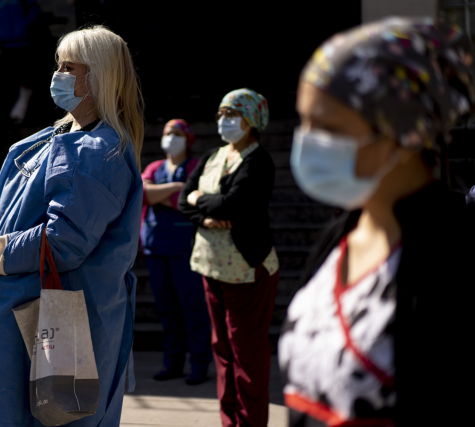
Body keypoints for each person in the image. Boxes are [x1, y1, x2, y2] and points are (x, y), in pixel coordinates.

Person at [278, 17, 475, 427]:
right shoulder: (341, 237)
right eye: (304, 121)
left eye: (328, 127)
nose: (307, 140)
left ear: (400, 135)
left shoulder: (453, 259)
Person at [0, 25, 144, 427]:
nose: (58, 75)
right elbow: (1, 211)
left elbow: (62, 244)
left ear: (98, 77)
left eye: (69, 67)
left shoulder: (102, 150)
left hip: (55, 322)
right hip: (11, 319)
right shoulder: (48, 137)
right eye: (58, 65)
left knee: (55, 419)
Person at [178, 88, 279, 426]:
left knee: (247, 353)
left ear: (252, 120)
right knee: (222, 349)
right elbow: (182, 200)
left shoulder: (258, 160)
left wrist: (198, 198)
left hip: (247, 269)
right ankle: (229, 420)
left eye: (232, 114)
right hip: (211, 266)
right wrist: (204, 213)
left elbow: (234, 204)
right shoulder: (211, 156)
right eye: (221, 114)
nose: (224, 121)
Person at [141, 119, 212, 385]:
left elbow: (194, 200)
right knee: (167, 310)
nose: (171, 138)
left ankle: (199, 364)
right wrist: (175, 189)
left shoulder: (196, 167)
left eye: (178, 134)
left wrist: (162, 195)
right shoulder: (155, 167)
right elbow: (143, 194)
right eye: (168, 133)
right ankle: (172, 363)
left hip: (187, 249)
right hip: (156, 247)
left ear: (188, 139)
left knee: (192, 308)